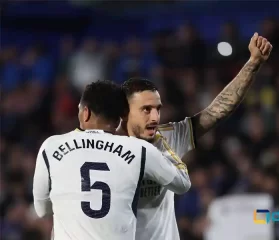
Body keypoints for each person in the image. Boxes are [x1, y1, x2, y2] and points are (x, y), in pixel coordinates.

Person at [117, 32, 273, 240]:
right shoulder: (105, 149)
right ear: (125, 112)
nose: (155, 117)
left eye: (158, 109)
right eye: (146, 109)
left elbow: (217, 111)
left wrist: (252, 63)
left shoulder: (169, 137)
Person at [32, 80, 191, 240]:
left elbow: (42, 210)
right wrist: (162, 142)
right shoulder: (139, 149)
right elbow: (182, 184)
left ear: (85, 112)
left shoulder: (51, 146)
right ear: (118, 120)